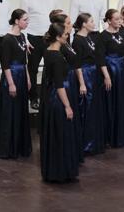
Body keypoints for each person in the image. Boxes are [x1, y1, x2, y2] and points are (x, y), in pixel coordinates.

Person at [39, 22, 79, 183]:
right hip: (57, 98)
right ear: (57, 36)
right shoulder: (55, 56)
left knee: (57, 134)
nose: (67, 36)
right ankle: (60, 171)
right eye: (65, 35)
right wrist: (68, 106)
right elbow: (59, 83)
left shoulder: (51, 51)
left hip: (52, 96)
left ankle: (57, 170)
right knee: (61, 135)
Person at [49, 11, 86, 163]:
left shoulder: (65, 43)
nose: (72, 26)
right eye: (69, 23)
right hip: (63, 86)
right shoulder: (57, 51)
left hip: (68, 83)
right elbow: (57, 80)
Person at [22, 0, 61, 109]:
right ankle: (33, 97)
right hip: (34, 37)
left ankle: (51, 95)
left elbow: (58, 17)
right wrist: (25, 39)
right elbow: (23, 20)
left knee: (52, 67)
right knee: (32, 69)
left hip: (50, 37)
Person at [0, 9, 32, 159]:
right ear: (16, 21)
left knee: (21, 110)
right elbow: (5, 64)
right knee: (10, 112)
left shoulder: (22, 36)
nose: (27, 22)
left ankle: (20, 145)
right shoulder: (7, 39)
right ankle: (7, 147)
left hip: (22, 75)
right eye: (25, 20)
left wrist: (28, 78)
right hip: (12, 76)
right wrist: (11, 84)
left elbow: (24, 61)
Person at [99, 9, 124, 147]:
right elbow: (101, 58)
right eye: (116, 19)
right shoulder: (103, 36)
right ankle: (112, 136)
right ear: (109, 20)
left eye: (120, 19)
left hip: (122, 70)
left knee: (123, 101)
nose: (120, 21)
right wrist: (106, 76)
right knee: (112, 102)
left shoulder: (122, 34)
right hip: (111, 70)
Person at [72, 13, 106, 155]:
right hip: (85, 75)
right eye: (91, 21)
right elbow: (77, 64)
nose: (94, 23)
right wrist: (82, 83)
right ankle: (87, 144)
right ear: (84, 24)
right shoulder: (77, 41)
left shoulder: (92, 37)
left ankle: (96, 141)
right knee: (87, 107)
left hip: (94, 74)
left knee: (95, 108)